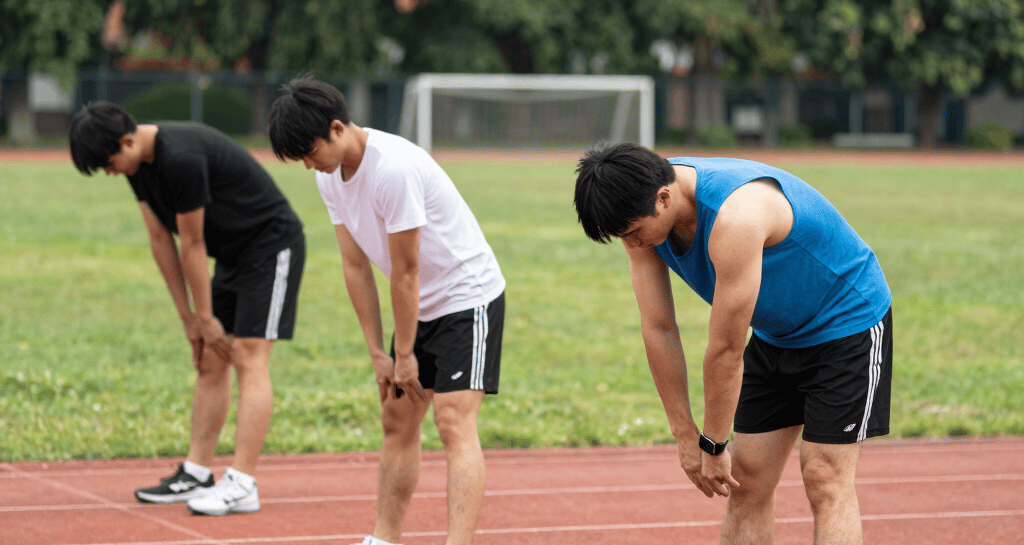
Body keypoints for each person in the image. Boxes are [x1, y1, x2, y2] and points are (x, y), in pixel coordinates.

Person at [573, 143, 892, 544]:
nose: (633, 245)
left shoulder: (737, 216)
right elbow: (658, 328)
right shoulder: (642, 210)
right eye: (623, 237)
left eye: (634, 233)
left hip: (846, 325)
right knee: (747, 481)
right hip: (778, 334)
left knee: (824, 476)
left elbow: (726, 348)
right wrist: (685, 434)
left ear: (664, 198)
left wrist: (712, 441)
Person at [267, 74, 506, 545]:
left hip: (465, 296)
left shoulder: (393, 168)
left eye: (309, 151)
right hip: (415, 305)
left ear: (337, 128)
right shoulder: (329, 177)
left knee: (453, 421)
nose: (309, 165)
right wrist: (379, 351)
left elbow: (406, 272)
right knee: (397, 420)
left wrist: (406, 351)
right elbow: (355, 265)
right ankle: (383, 539)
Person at [69, 102, 306, 516]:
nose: (110, 172)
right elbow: (161, 238)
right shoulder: (135, 163)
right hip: (233, 254)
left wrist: (207, 316)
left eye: (108, 164)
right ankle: (196, 473)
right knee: (212, 362)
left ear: (127, 140)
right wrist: (190, 320)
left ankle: (242, 482)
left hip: (271, 246)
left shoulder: (180, 158)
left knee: (250, 357)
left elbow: (191, 244)